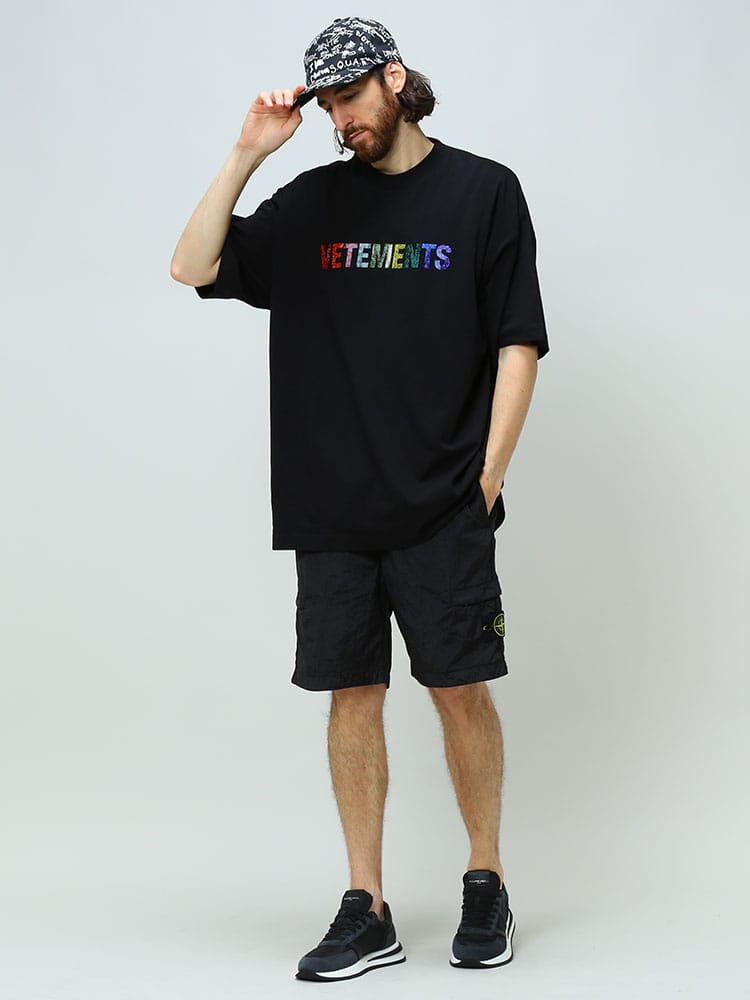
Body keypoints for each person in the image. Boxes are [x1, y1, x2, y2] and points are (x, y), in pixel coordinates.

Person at [171, 15, 549, 983]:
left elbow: (518, 340)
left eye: (351, 99)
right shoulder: (309, 207)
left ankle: (485, 879)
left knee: (459, 689)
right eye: (329, 107)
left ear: (394, 79)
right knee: (352, 695)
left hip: (443, 503)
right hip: (332, 508)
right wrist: (248, 154)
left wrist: (487, 478)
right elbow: (193, 265)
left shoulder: (483, 193)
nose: (342, 121)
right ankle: (367, 904)